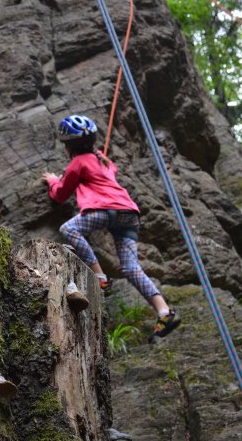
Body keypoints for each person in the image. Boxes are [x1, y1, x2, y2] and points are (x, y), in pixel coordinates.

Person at [42, 114, 180, 340]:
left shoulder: (77, 163)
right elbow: (110, 171)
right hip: (129, 214)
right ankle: (164, 311)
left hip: (105, 211)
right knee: (130, 267)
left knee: (69, 229)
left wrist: (52, 180)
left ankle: (99, 277)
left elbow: (60, 194)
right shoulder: (104, 161)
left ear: (68, 146)